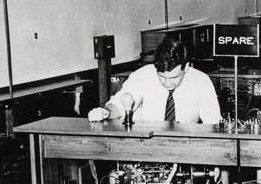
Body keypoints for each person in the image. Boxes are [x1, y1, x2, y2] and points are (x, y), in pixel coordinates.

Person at [88, 37, 221, 124]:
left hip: (187, 147)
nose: (168, 84)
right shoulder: (143, 75)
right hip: (148, 149)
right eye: (162, 77)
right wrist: (106, 112)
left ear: (186, 67)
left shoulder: (201, 82)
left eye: (174, 78)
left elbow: (213, 124)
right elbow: (119, 104)